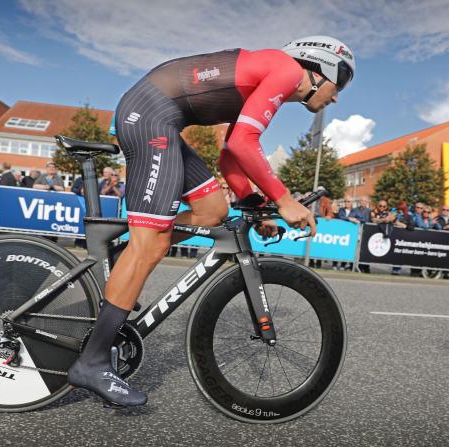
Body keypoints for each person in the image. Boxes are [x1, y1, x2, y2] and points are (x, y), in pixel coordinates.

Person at [67, 35, 355, 406]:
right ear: (321, 68)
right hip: (151, 115)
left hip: (162, 119)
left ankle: (133, 251)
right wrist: (284, 200)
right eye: (340, 83)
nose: (336, 97)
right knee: (151, 243)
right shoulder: (285, 70)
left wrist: (253, 204)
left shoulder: (270, 77)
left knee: (213, 211)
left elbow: (230, 158)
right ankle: (92, 361)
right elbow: (243, 144)